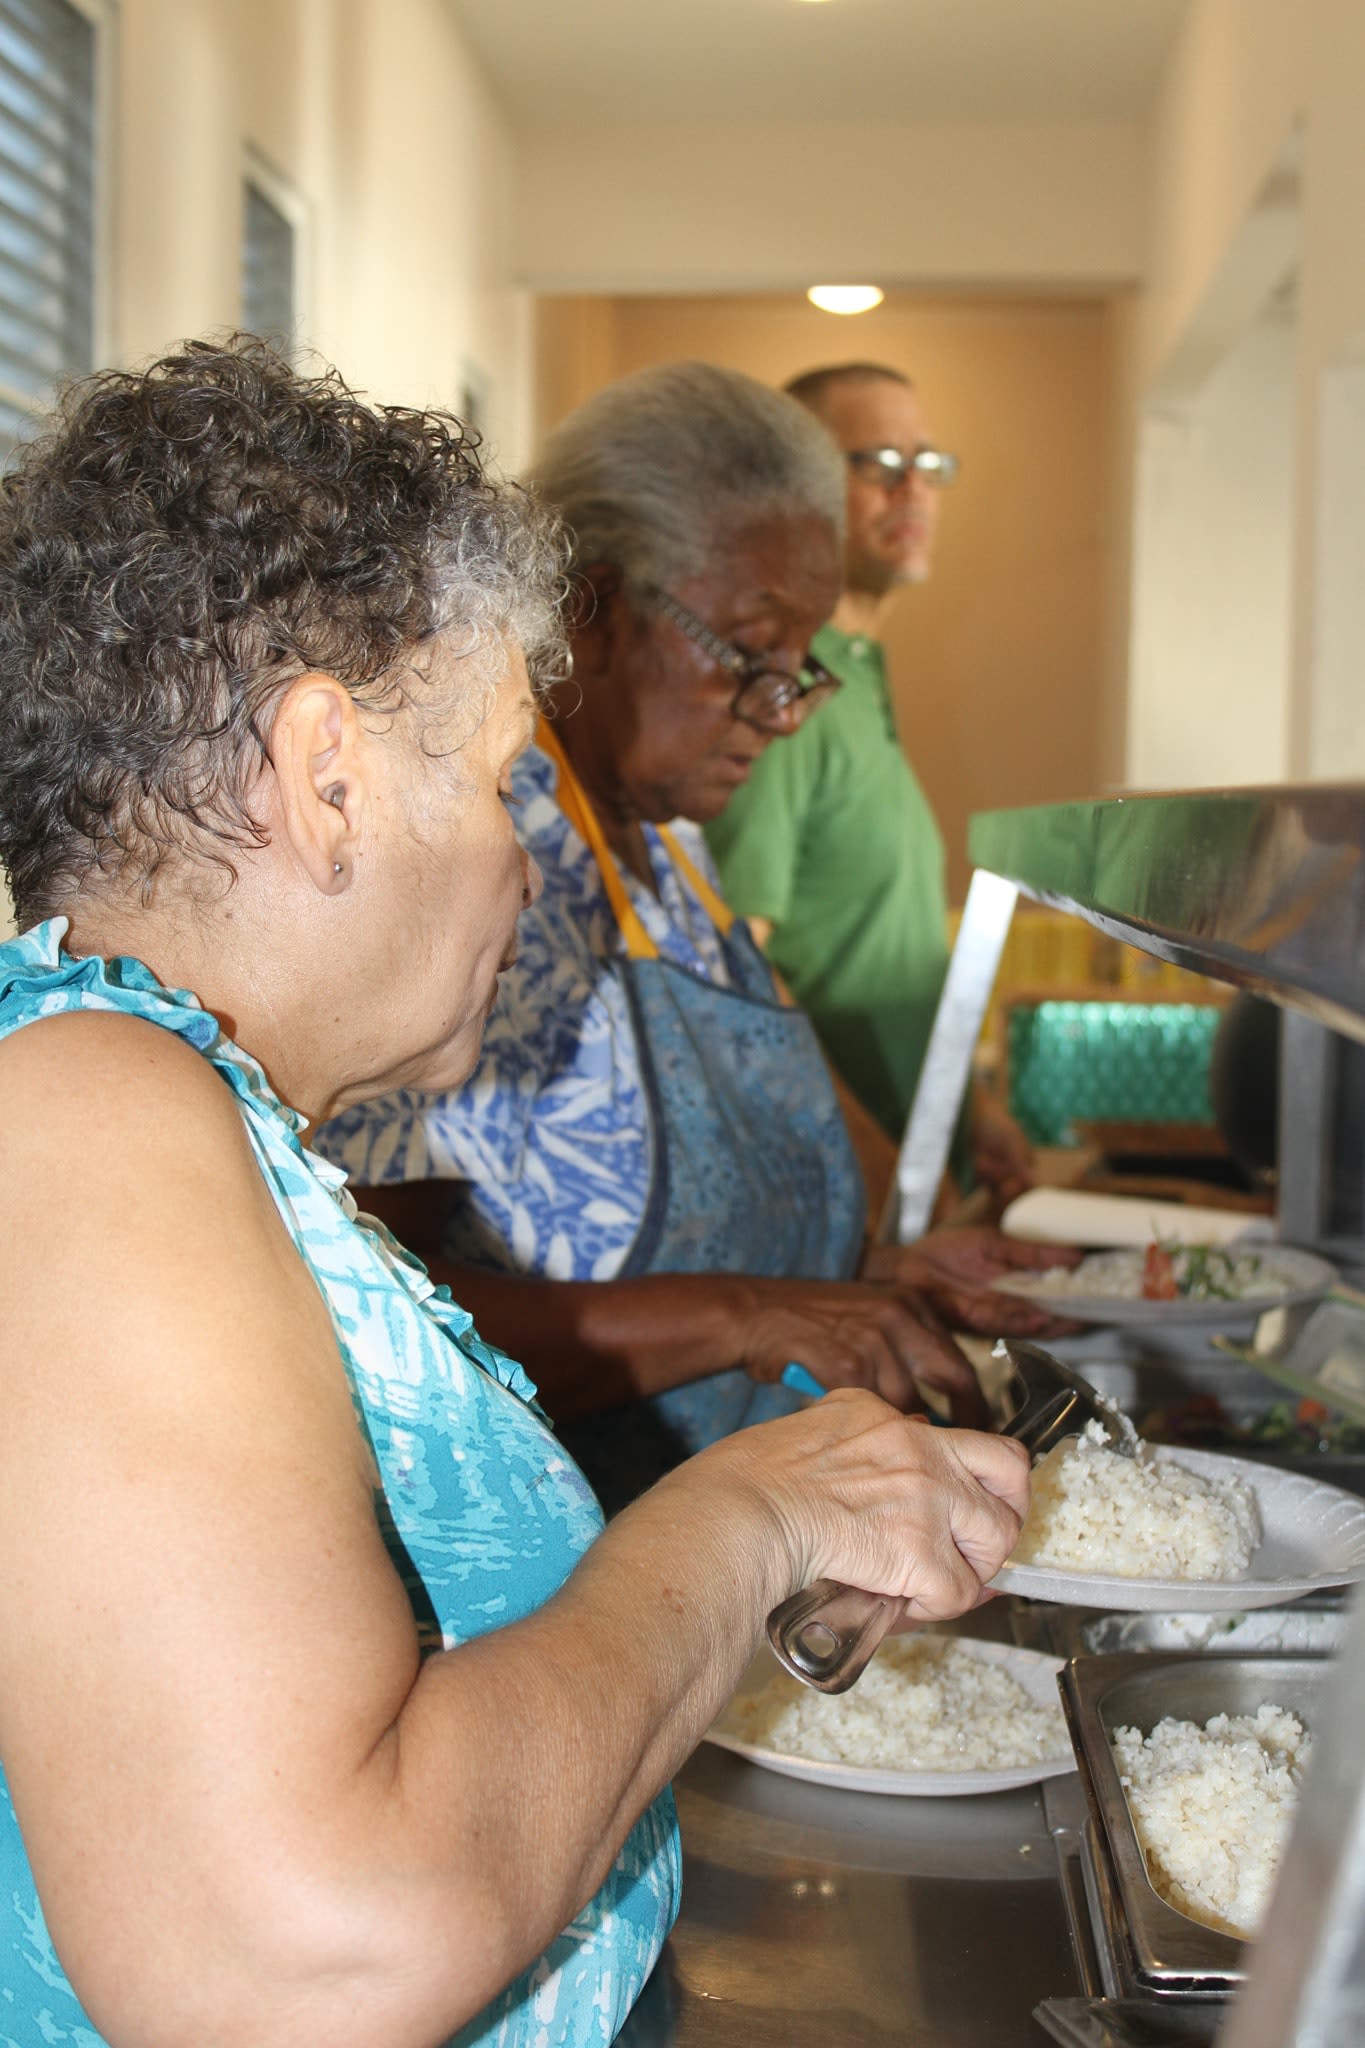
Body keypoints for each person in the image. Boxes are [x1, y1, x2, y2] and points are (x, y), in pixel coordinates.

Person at [0, 339, 1033, 2048]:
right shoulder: (93, 1113)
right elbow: (300, 1953)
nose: (523, 858)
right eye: (493, 777)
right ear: (328, 777)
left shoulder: (186, 1116)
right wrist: (754, 1515)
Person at [317, 360, 1070, 1513]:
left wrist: (876, 1277)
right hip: (572, 1554)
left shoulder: (670, 851)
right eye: (749, 655)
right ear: (595, 613)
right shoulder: (491, 860)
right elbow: (364, 1297)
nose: (781, 712)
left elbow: (670, 1232)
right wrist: (745, 1316)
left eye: (798, 668)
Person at [704, 361, 1034, 1202]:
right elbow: (733, 975)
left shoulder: (855, 671)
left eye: (927, 464)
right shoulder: (788, 690)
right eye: (879, 464)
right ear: (792, 490)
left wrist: (969, 1112)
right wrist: (875, 1161)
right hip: (843, 1197)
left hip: (916, 1177)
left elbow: (881, 951)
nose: (912, 490)